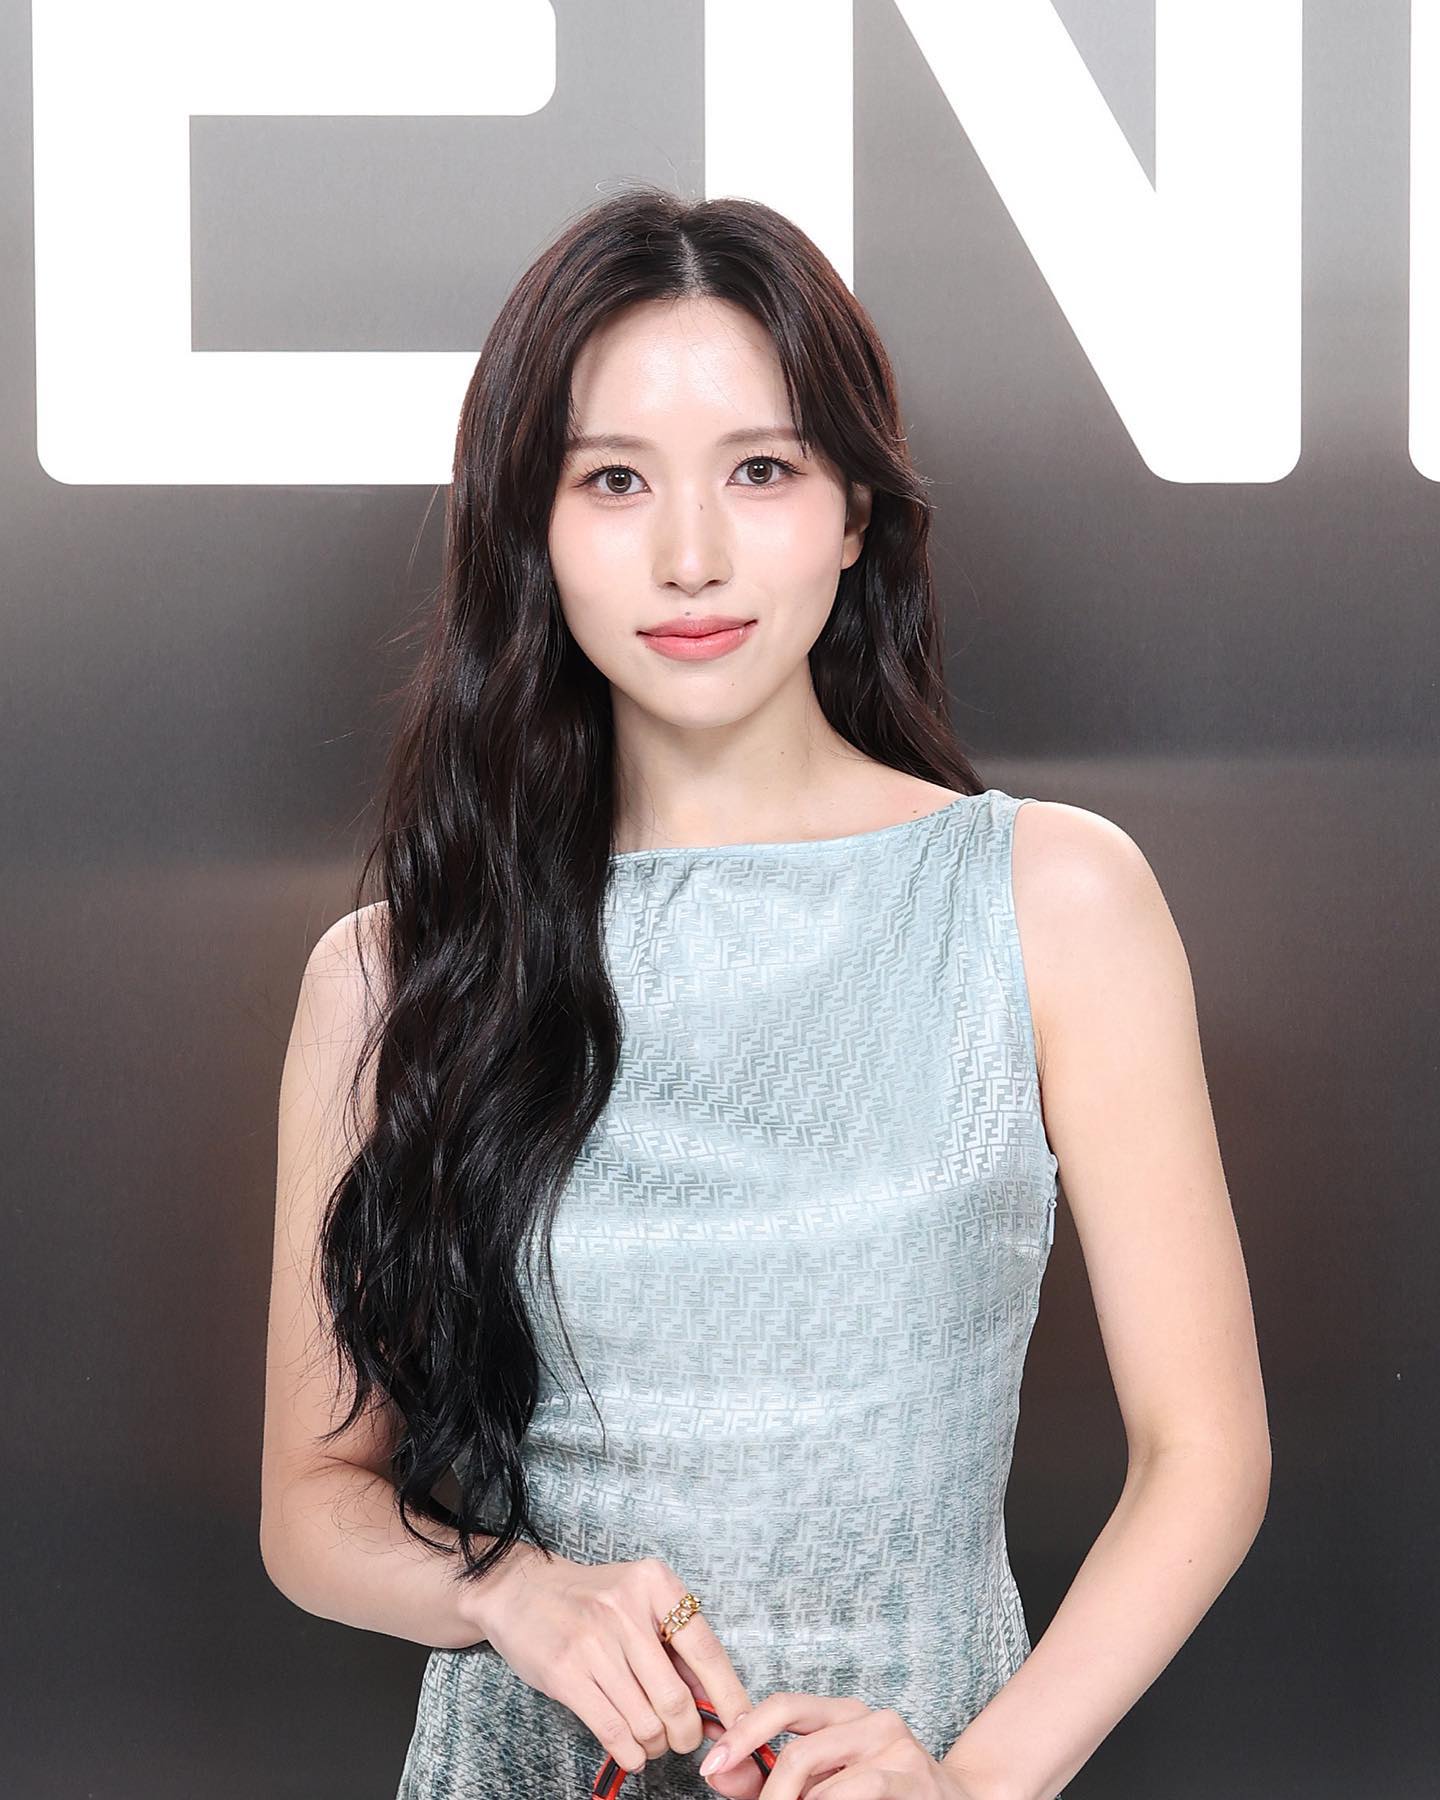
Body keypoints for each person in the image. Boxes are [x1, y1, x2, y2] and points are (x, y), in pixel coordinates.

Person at [259, 187, 1271, 1800]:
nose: (691, 556)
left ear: (856, 510)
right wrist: (509, 1591)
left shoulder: (1049, 898)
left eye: (761, 470)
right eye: (613, 480)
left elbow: (1203, 1457)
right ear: (531, 527)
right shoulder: (394, 971)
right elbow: (312, 1508)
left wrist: (975, 1784)